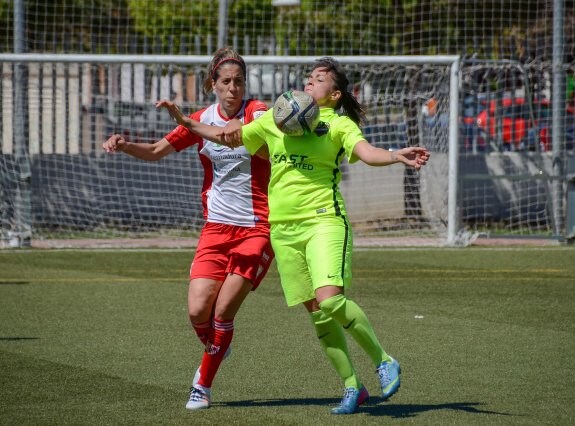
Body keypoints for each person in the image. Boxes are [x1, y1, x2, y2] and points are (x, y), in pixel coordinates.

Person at [157, 57, 430, 415]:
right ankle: (353, 387)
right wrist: (186, 121)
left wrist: (396, 156)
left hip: (323, 222)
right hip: (283, 231)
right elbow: (228, 136)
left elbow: (366, 153)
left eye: (317, 79)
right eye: (308, 77)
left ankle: (383, 360)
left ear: (333, 94)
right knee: (317, 313)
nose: (308, 82)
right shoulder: (277, 117)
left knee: (330, 300)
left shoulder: (337, 123)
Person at [102, 47, 274, 411]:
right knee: (198, 312)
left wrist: (227, 125)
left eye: (239, 81)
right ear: (213, 85)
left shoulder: (257, 110)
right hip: (215, 229)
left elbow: (243, 131)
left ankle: (202, 385)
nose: (233, 88)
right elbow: (155, 151)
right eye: (226, 82)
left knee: (224, 309)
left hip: (257, 228)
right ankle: (218, 345)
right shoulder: (201, 118)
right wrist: (124, 143)